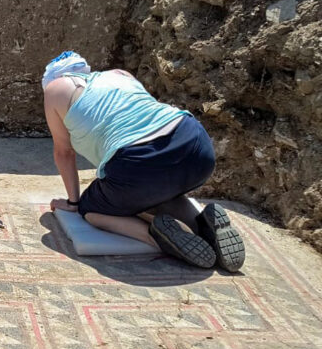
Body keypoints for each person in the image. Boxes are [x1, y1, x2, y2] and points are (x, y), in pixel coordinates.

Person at [42, 51, 245, 271]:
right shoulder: (120, 74)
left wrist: (73, 203)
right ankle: (203, 225)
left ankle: (158, 237)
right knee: (153, 187)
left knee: (92, 209)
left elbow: (64, 153)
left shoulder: (55, 88)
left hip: (139, 163)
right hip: (195, 146)